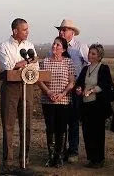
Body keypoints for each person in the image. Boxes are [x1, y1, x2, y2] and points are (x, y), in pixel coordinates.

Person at [0, 18, 39, 174]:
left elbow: (35, 66)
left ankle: (24, 160)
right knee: (9, 125)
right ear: (15, 30)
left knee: (27, 124)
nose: (27, 32)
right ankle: (8, 162)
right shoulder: (4, 46)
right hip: (11, 88)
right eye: (24, 29)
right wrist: (23, 62)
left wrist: (24, 63)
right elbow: (7, 67)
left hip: (27, 87)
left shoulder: (29, 46)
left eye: (28, 29)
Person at [55, 19, 89, 163]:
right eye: (60, 29)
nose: (61, 32)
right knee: (61, 120)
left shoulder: (80, 47)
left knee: (74, 120)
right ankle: (60, 150)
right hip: (59, 87)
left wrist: (83, 85)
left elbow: (88, 66)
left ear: (72, 32)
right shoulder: (57, 46)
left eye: (65, 29)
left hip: (75, 87)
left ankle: (73, 150)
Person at [38, 37, 75, 168]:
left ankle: (59, 156)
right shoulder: (45, 62)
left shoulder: (68, 62)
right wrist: (48, 92)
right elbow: (39, 80)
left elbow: (72, 82)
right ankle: (51, 156)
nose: (55, 46)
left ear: (63, 49)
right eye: (54, 44)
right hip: (47, 101)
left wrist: (62, 94)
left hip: (63, 100)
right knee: (50, 128)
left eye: (58, 45)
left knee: (61, 128)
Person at [75, 44, 113, 168]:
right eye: (89, 53)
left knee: (98, 133)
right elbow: (79, 83)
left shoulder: (103, 68)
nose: (90, 55)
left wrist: (91, 90)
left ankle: (99, 159)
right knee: (87, 133)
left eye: (93, 54)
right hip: (86, 106)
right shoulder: (85, 69)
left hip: (98, 106)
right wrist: (79, 89)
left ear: (99, 56)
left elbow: (105, 85)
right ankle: (91, 159)